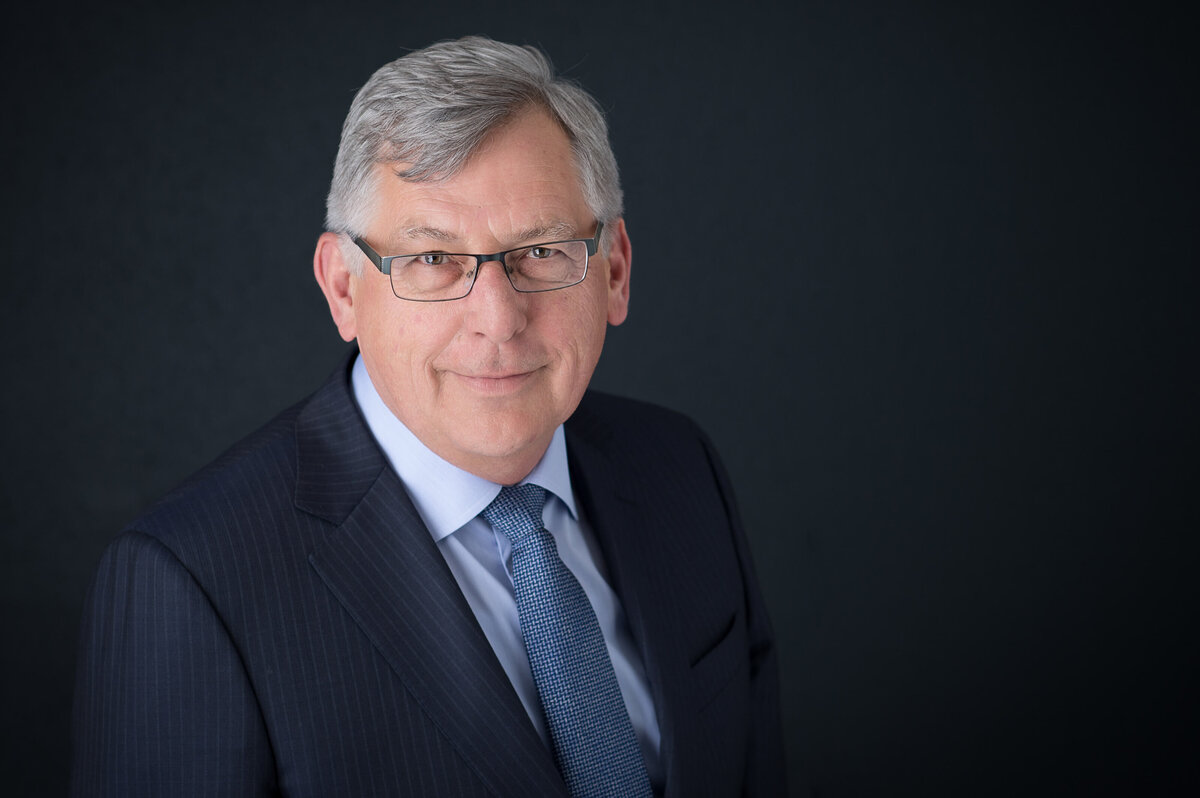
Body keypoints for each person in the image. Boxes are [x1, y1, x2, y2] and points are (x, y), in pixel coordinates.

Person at [71, 35, 785, 797]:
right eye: (432, 260)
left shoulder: (679, 466)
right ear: (343, 289)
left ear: (613, 272)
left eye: (540, 250)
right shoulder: (187, 583)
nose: (498, 320)